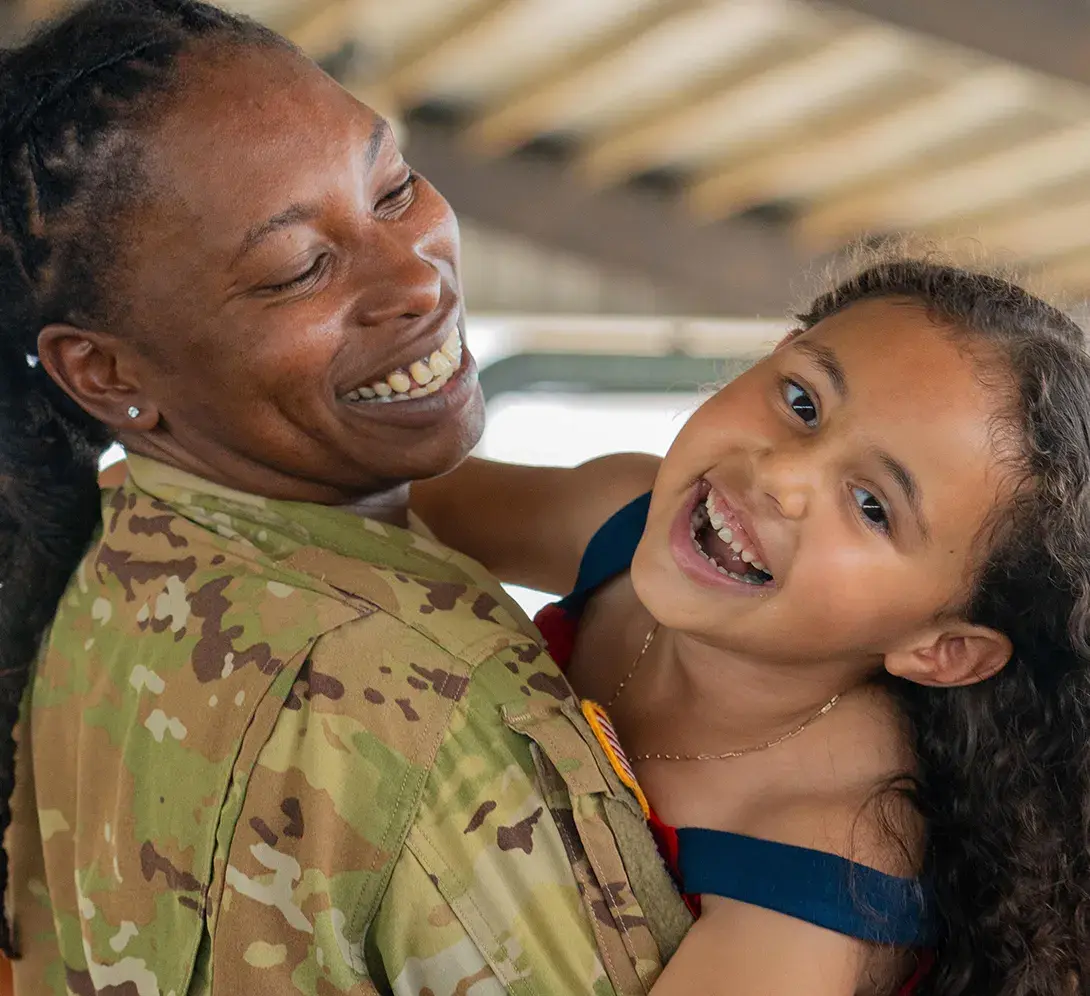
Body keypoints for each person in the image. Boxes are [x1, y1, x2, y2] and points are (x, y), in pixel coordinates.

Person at [0, 2, 692, 992]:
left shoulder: (87, 549)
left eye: (394, 185)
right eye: (298, 268)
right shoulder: (433, 695)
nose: (416, 277)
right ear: (105, 376)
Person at [414, 254, 1090, 995]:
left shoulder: (831, 856)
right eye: (802, 401)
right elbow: (364, 505)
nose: (777, 475)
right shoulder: (620, 520)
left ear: (943, 649)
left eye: (872, 507)